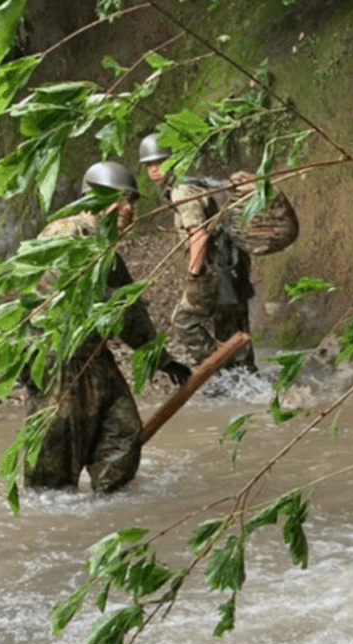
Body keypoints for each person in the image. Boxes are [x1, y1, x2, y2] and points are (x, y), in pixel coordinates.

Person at [24, 161, 159, 493]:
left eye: (132, 202)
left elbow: (131, 314)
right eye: (122, 200)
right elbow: (54, 296)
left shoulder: (108, 251)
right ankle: (53, 525)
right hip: (57, 357)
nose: (129, 210)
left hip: (94, 355)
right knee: (52, 463)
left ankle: (108, 513)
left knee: (124, 432)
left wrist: (160, 356)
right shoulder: (66, 233)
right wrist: (107, 299)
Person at [139, 133, 255, 377]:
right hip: (232, 267)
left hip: (212, 270)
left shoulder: (181, 190)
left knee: (183, 322)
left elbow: (198, 235)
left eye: (159, 163)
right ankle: (247, 382)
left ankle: (222, 374)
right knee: (233, 331)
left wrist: (193, 276)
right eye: (149, 165)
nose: (154, 170)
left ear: (173, 161)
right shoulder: (199, 183)